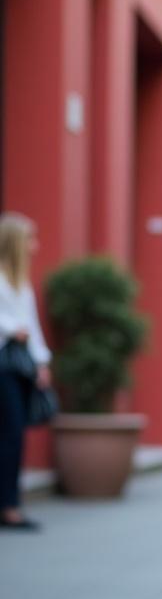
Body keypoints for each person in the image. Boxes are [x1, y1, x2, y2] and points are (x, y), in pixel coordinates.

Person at [0, 213, 51, 531]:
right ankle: (9, 506)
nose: (36, 246)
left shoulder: (22, 283)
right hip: (3, 363)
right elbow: (18, 326)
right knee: (10, 432)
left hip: (19, 365)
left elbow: (32, 326)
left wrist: (42, 362)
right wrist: (10, 329)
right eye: (30, 239)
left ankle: (10, 503)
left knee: (14, 434)